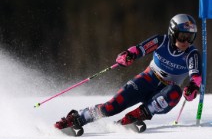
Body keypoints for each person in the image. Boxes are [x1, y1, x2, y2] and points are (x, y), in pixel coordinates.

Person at [54, 13, 202, 130]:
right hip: (148, 79)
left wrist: (192, 90)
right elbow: (138, 49)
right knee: (111, 107)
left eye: (190, 37)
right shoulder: (160, 41)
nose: (186, 42)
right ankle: (78, 117)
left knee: (174, 91)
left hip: (165, 93)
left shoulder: (192, 54)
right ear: (173, 32)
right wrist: (127, 56)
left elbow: (196, 78)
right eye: (183, 36)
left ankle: (136, 116)